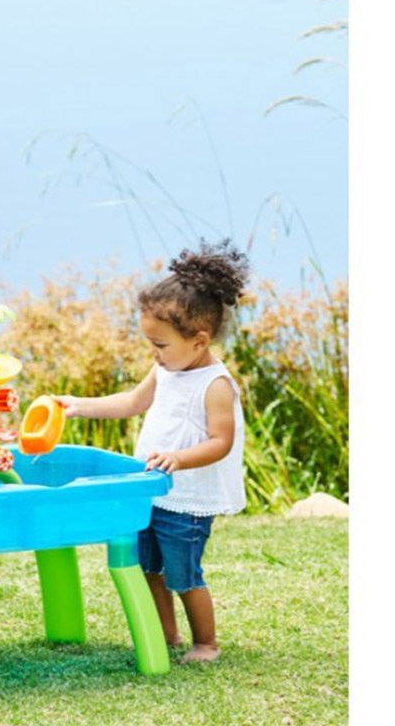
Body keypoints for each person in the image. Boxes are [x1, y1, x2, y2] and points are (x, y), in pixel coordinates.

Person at [55, 240, 249, 663]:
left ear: (199, 341)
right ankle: (165, 634)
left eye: (160, 345)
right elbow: (131, 403)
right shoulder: (165, 369)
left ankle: (206, 643)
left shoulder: (214, 384)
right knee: (148, 567)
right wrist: (78, 406)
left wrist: (179, 459)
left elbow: (221, 441)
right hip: (149, 491)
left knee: (184, 575)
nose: (153, 353)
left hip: (187, 501)